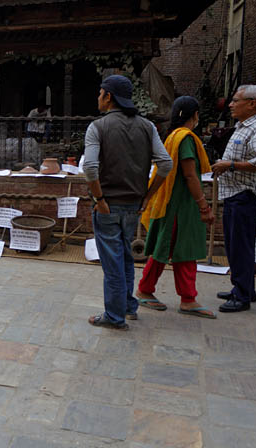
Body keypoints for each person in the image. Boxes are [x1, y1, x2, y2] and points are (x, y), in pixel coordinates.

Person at [83, 75, 173, 330]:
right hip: (134, 204)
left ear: (108, 96)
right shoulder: (147, 126)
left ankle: (114, 316)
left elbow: (89, 167)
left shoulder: (98, 127)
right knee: (123, 256)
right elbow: (165, 163)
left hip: (108, 204)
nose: (98, 98)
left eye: (100, 93)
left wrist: (99, 199)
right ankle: (128, 307)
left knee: (113, 262)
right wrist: (148, 195)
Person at [136, 96, 216, 319]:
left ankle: (183, 297)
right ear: (196, 115)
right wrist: (203, 206)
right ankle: (175, 296)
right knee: (175, 249)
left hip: (174, 203)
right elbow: (190, 174)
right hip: (181, 205)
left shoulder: (173, 136)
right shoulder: (186, 139)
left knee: (174, 250)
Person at [211, 85, 256, 312]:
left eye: (235, 100)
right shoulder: (242, 127)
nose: (230, 104)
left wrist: (229, 165)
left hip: (245, 195)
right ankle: (244, 287)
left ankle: (242, 295)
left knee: (240, 246)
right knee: (236, 245)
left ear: (251, 103)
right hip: (234, 193)